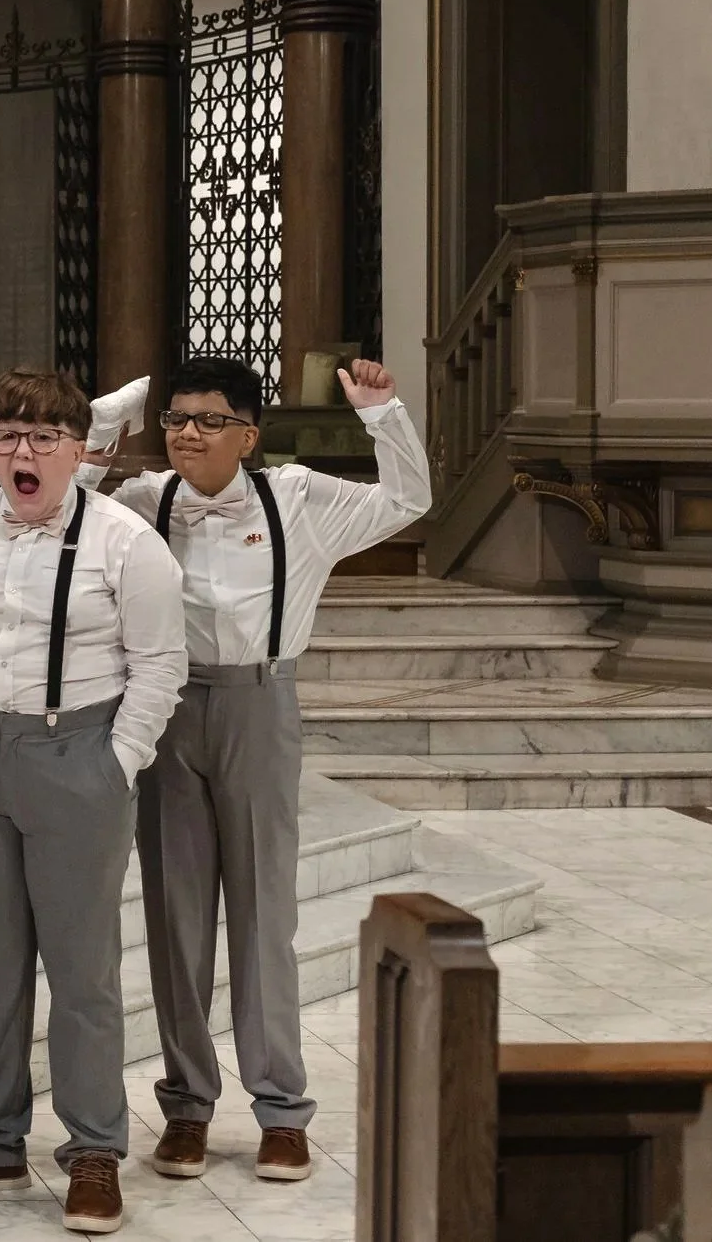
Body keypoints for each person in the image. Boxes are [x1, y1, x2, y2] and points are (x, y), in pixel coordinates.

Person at [80, 356, 430, 1185]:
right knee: (176, 917)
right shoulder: (141, 503)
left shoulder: (298, 496)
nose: (188, 433)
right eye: (174, 419)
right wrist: (109, 419)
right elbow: (65, 506)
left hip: (260, 704)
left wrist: (384, 415)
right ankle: (188, 1107)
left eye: (206, 420)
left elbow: (409, 500)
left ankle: (280, 1110)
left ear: (248, 432)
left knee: (266, 912)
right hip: (164, 706)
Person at [0, 371, 186, 1236]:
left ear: (78, 449)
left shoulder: (126, 543)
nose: (23, 453)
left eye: (42, 438)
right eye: (8, 436)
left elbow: (161, 668)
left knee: (82, 968)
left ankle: (95, 1147)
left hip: (79, 754)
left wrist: (115, 765)